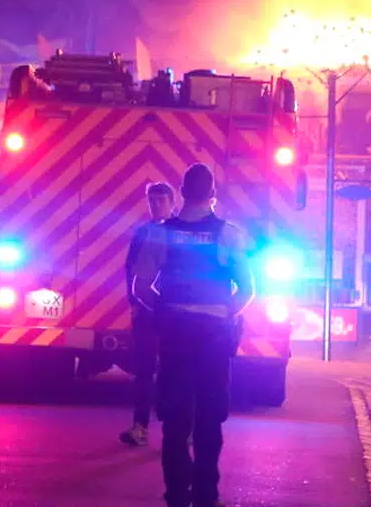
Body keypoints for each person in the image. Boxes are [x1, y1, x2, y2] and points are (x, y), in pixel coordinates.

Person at [132, 164, 254, 507]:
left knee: (174, 417)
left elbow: (141, 285)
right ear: (212, 194)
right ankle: (205, 494)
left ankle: (175, 494)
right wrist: (222, 312)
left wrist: (165, 310)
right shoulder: (228, 234)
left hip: (174, 333)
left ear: (181, 194)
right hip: (213, 336)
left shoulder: (161, 232)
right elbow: (246, 289)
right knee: (210, 416)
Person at [119, 181, 175, 447]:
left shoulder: (179, 231)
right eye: (152, 201)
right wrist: (134, 301)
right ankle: (139, 426)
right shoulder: (142, 232)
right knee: (144, 372)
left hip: (173, 314)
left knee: (174, 373)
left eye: (161, 201)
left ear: (172, 203)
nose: (156, 206)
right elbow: (130, 268)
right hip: (147, 311)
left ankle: (177, 429)